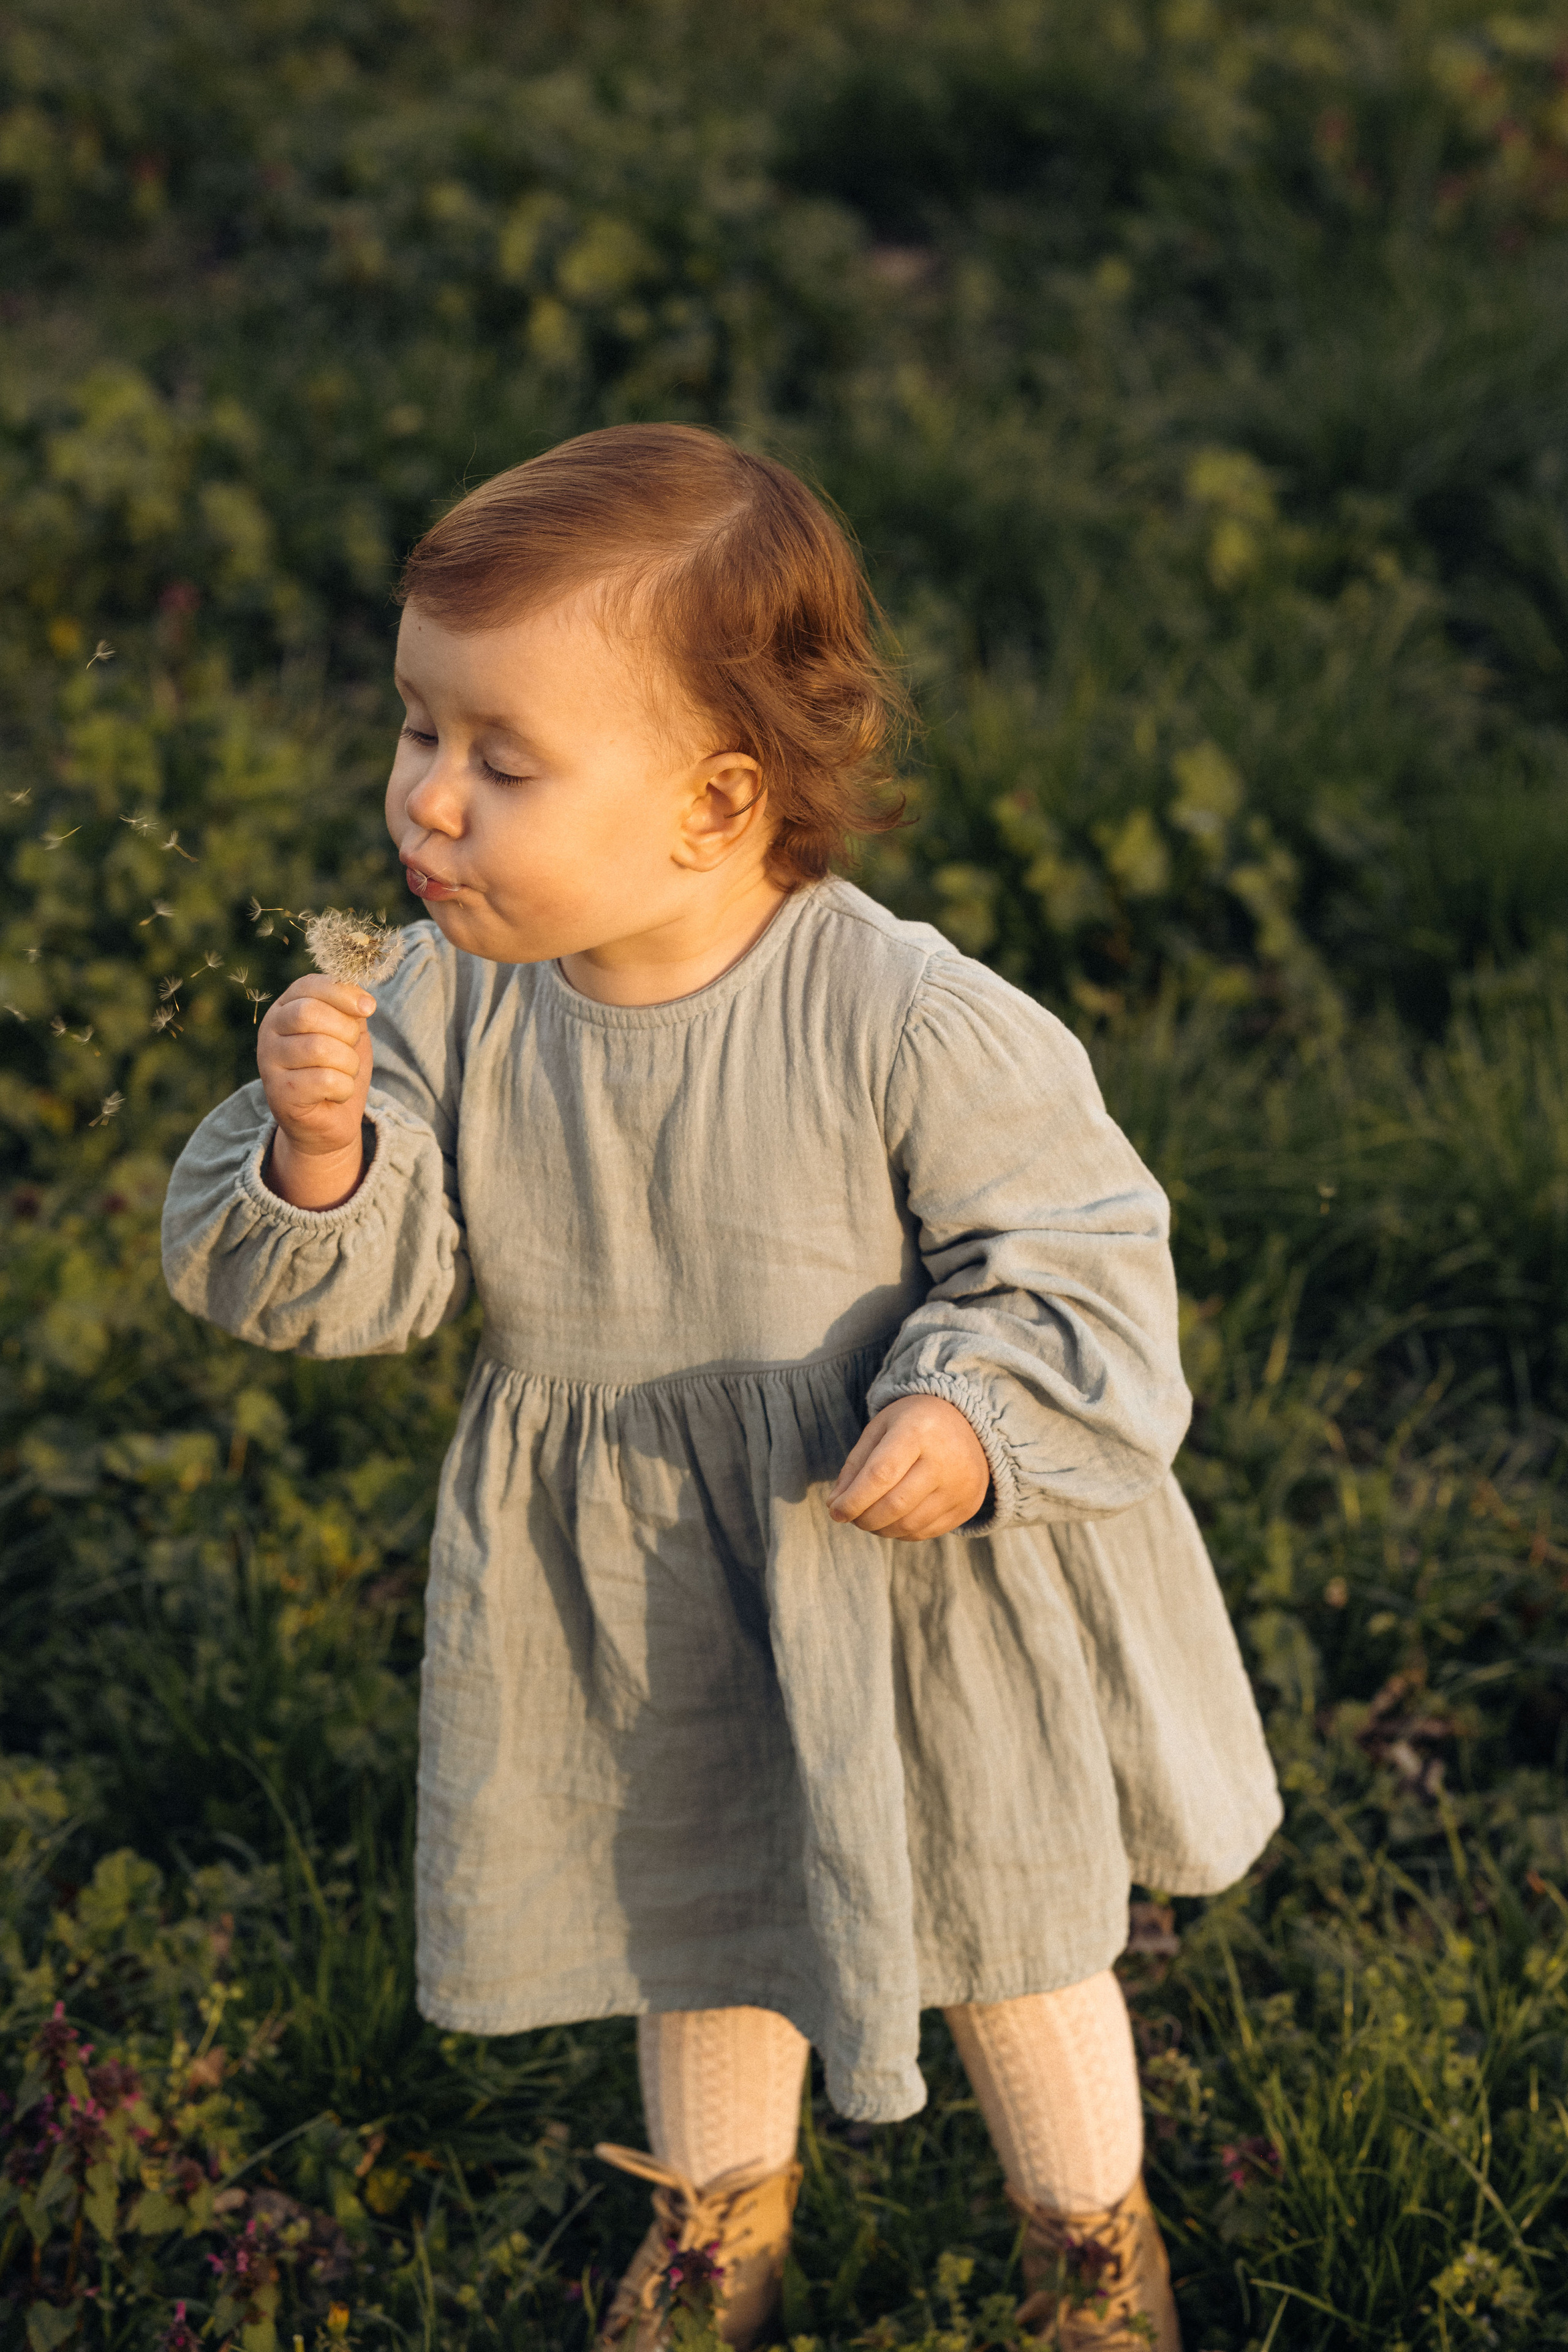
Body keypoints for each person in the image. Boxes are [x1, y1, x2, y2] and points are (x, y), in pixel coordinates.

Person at [162, 423, 1280, 2351]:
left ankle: (1089, 2245)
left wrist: (965, 1414)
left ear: (713, 802)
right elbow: (360, 1286)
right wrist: (325, 1154)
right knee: (698, 1901)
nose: (428, 800)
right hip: (646, 1578)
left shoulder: (899, 1014)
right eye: (419, 729)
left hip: (905, 1572)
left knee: (1005, 1921)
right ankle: (712, 2241)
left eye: (503, 762)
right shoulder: (447, 1004)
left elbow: (1079, 1253)